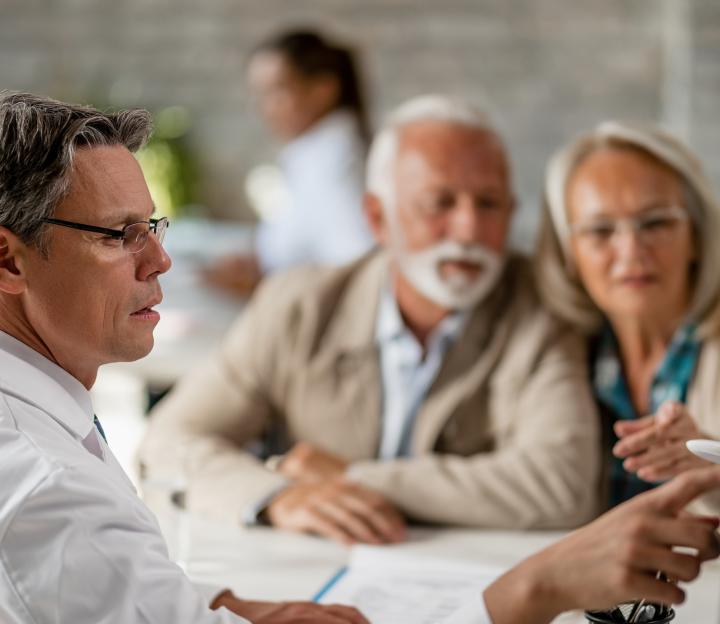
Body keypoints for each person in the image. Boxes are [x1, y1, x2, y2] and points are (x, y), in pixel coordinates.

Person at [1, 90, 719, 624]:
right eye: (118, 234)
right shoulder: (45, 483)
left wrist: (210, 607)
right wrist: (537, 586)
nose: (162, 261)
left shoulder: (539, 308)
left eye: (150, 227)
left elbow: (556, 480)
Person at [141, 94, 601, 544]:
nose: (468, 230)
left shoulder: (541, 306)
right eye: (439, 203)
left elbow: (562, 483)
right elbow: (167, 442)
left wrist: (352, 478)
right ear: (378, 218)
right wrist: (277, 496)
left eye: (489, 204)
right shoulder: (299, 305)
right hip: (307, 578)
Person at [535, 121, 720, 510]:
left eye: (656, 222)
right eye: (600, 230)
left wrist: (712, 468)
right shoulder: (563, 347)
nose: (632, 251)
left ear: (697, 237)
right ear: (569, 254)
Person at [202, 28, 373, 296]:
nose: (264, 108)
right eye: (259, 94)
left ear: (324, 89)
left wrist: (261, 285)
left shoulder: (337, 166)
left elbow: (358, 271)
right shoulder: (313, 155)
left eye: (276, 91)